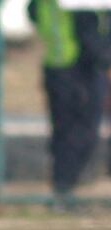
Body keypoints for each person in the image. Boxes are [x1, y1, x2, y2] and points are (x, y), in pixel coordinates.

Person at [29, 0, 111, 209]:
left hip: (56, 67)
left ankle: (63, 189)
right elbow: (88, 33)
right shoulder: (79, 8)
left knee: (65, 132)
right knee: (80, 132)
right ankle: (64, 189)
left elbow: (33, 13)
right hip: (79, 69)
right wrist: (103, 59)